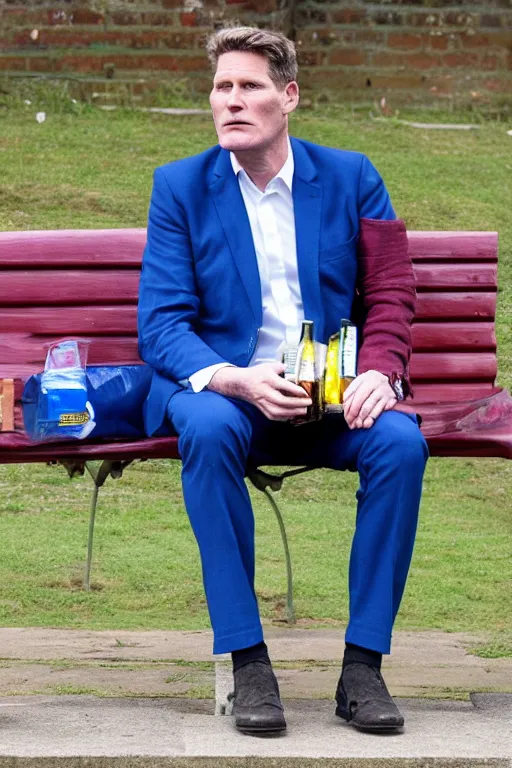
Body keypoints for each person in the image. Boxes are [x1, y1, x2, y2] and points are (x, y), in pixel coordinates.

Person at [138, 26, 429, 736]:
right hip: (235, 400)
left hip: (330, 399)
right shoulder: (180, 187)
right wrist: (235, 379)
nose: (231, 101)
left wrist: (382, 375)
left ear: (288, 97)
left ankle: (363, 669)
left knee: (400, 445)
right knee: (203, 427)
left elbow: (392, 292)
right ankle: (248, 663)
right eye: (221, 87)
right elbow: (162, 323)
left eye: (250, 86)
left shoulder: (352, 176)